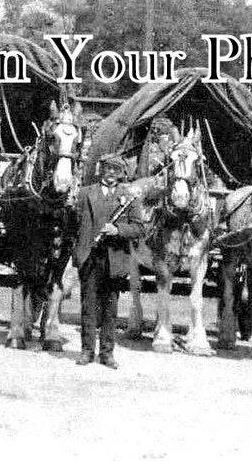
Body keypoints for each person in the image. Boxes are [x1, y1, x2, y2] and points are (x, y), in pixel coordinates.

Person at [72, 153, 145, 369]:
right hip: (90, 257)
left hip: (115, 259)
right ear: (101, 170)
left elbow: (140, 228)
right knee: (88, 306)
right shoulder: (86, 193)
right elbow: (74, 223)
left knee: (110, 308)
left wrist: (118, 229)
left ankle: (107, 353)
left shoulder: (129, 196)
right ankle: (87, 351)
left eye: (116, 169)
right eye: (107, 168)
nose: (111, 172)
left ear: (122, 172)